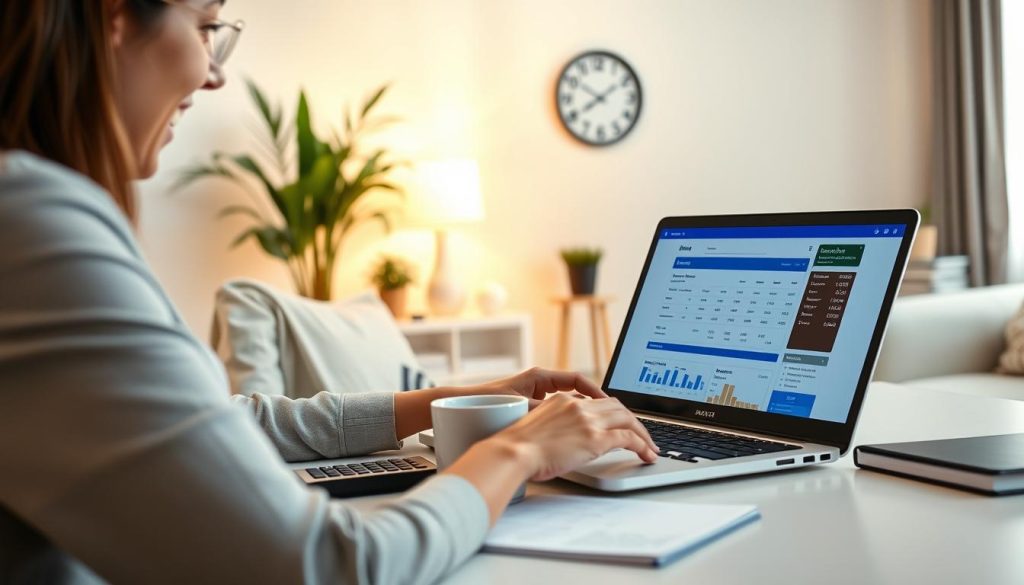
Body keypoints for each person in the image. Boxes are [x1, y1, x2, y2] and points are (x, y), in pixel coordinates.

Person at [0, 2, 659, 583]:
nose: (215, 72)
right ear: (115, 16)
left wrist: (451, 401)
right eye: (207, 26)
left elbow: (234, 420)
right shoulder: (27, 221)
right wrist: (520, 449)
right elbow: (328, 566)